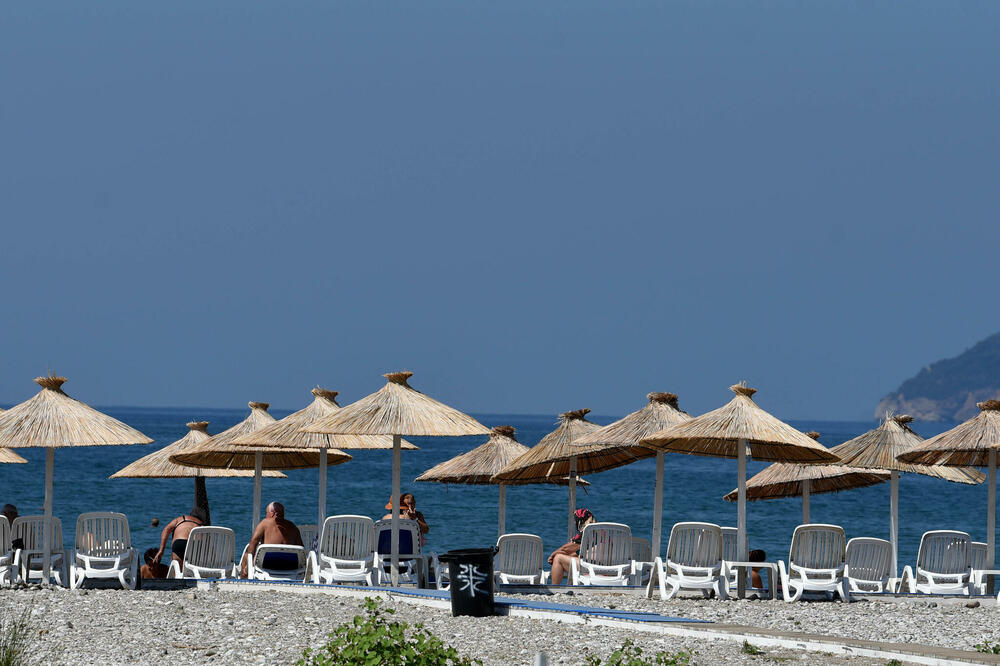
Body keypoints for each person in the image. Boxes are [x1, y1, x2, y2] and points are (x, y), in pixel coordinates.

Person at [240, 501, 302, 578]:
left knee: (247, 555)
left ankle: (244, 581)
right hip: (290, 566)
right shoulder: (293, 527)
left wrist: (250, 561)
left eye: (266, 513)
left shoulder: (265, 523)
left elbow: (253, 541)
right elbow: (301, 548)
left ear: (272, 513)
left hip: (268, 565)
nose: (266, 515)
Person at [547, 508, 595, 585]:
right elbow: (580, 552)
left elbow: (565, 549)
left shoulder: (586, 532)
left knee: (558, 558)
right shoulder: (602, 532)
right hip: (607, 568)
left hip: (590, 568)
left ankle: (554, 589)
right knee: (570, 556)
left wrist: (552, 555)